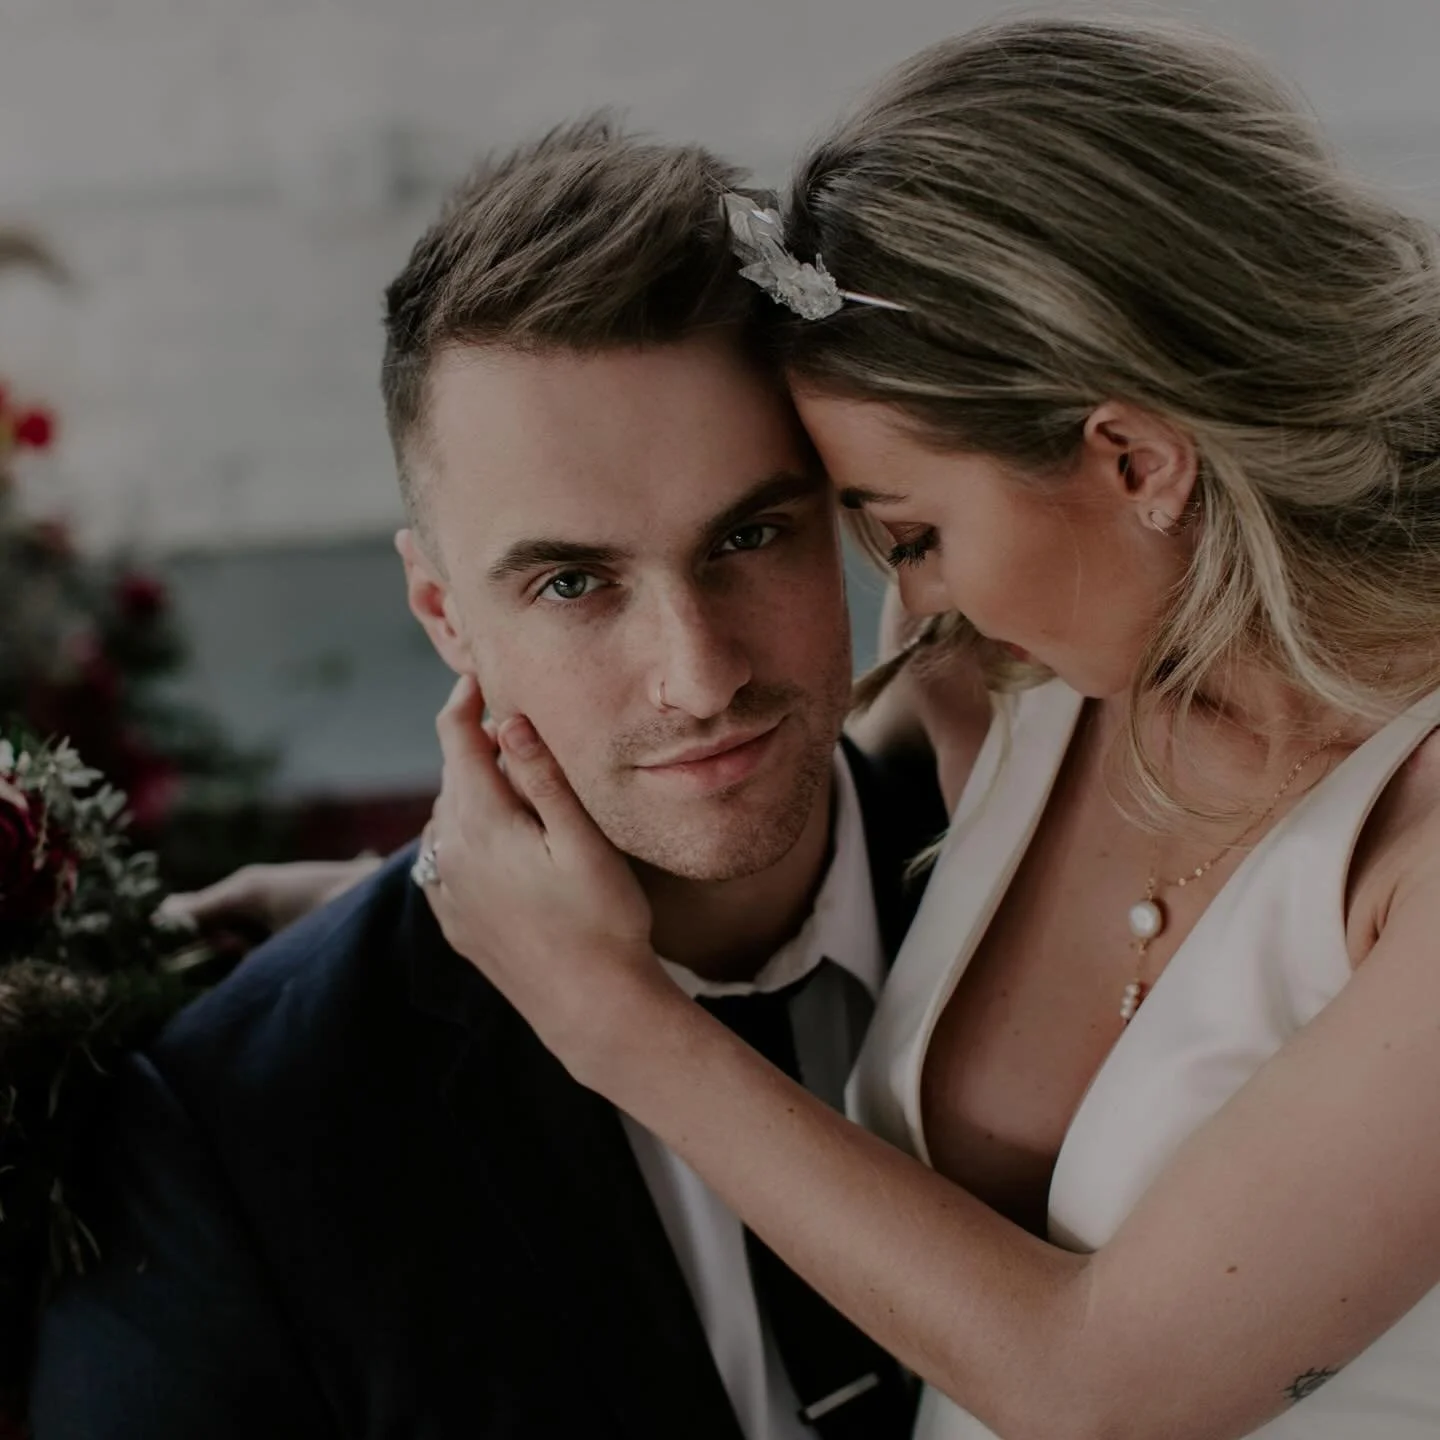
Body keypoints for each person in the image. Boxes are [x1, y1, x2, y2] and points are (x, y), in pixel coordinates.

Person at [411, 18, 1440, 1440]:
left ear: (1133, 458)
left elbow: (1104, 1394)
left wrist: (613, 1022)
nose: (908, 596)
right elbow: (769, 822)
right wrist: (379, 895)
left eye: (911, 534)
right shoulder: (1006, 686)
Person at [28, 122, 945, 1440]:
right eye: (574, 582)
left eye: (751, 535)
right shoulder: (240, 1138)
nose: (697, 675)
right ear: (442, 614)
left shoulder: (1073, 891)